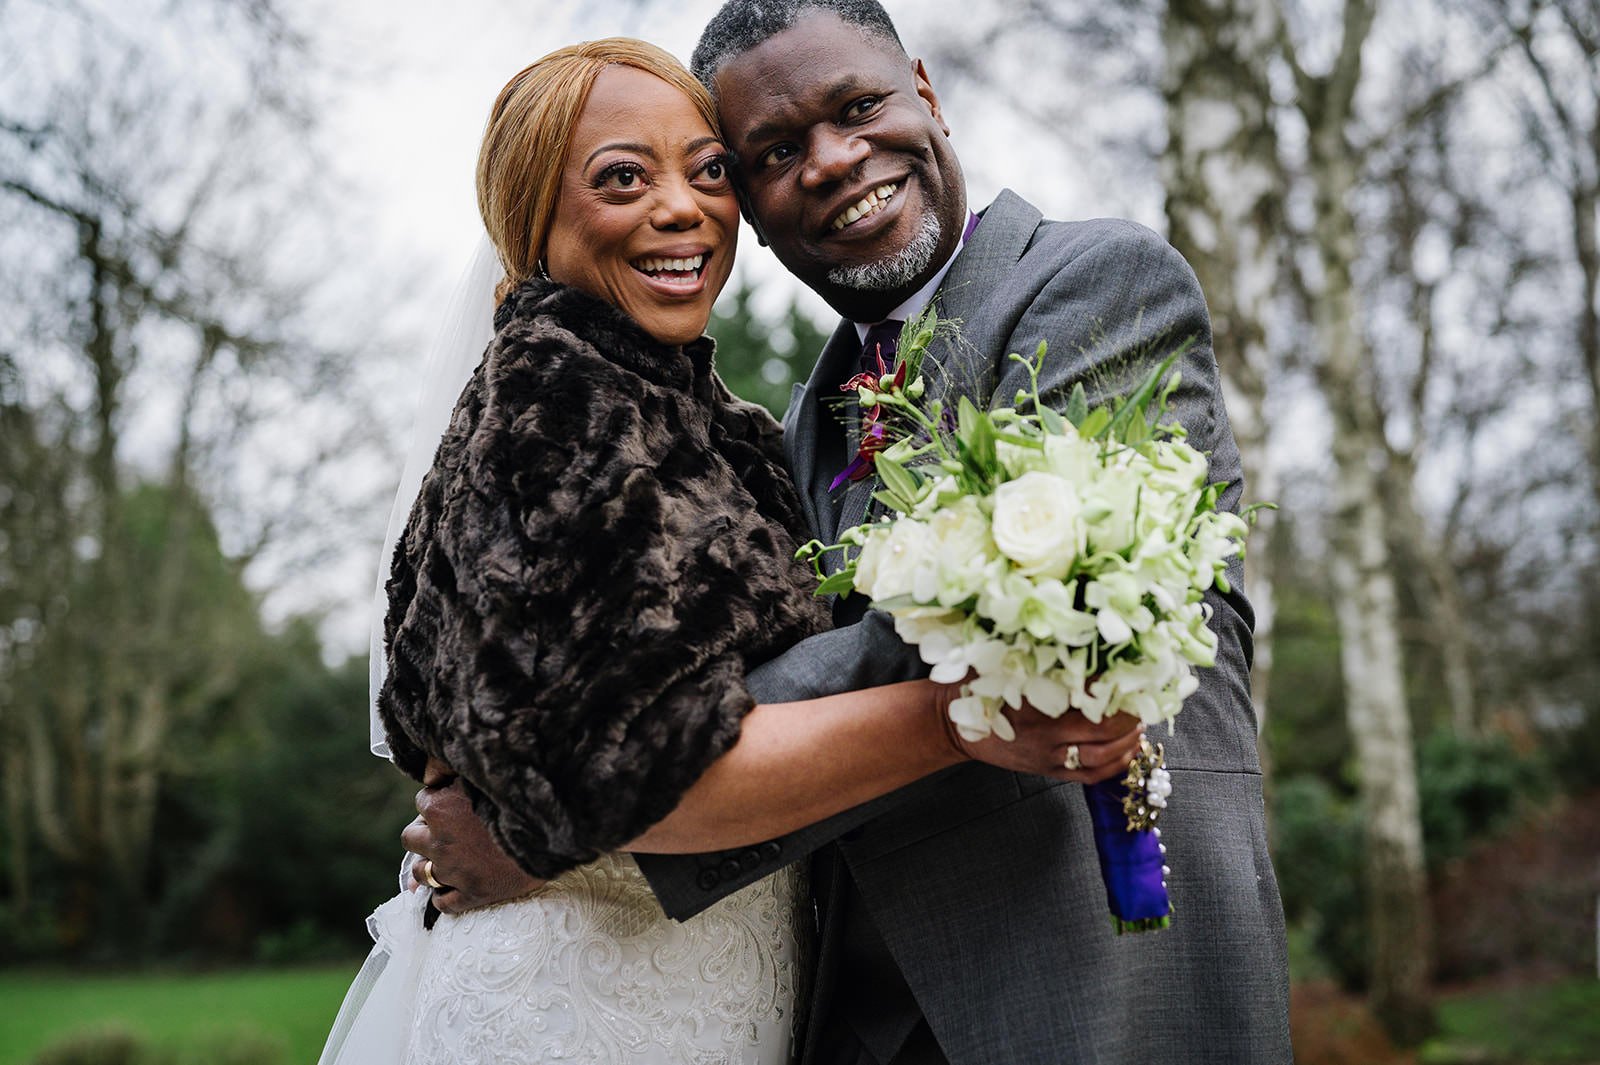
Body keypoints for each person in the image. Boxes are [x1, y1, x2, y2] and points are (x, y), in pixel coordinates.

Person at [410, 3, 1294, 1063]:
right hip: (856, 1007)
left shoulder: (1091, 286)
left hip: (1094, 957)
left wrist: (566, 808)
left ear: (924, 89)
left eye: (859, 105)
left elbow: (1004, 624)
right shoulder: (792, 425)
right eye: (774, 152)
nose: (832, 161)